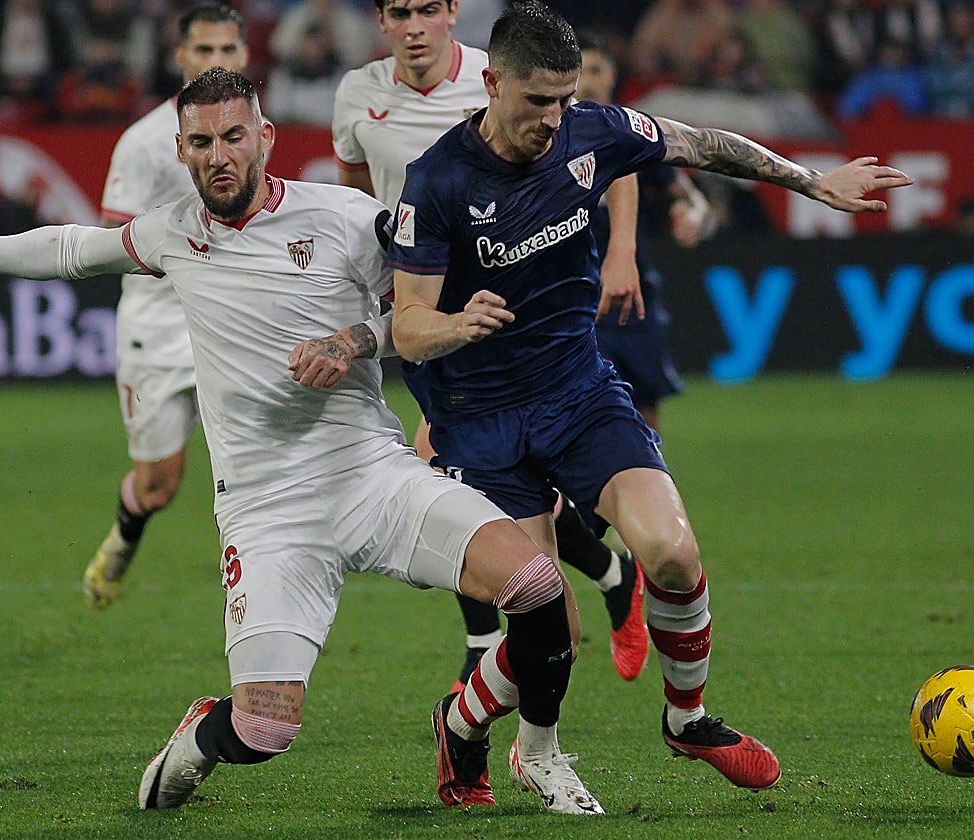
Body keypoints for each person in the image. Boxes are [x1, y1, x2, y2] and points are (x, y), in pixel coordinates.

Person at [0, 67, 603, 816]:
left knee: (536, 588)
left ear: (263, 138)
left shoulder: (345, 217)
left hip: (370, 474)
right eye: (201, 141)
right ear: (183, 150)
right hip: (268, 512)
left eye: (234, 135)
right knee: (264, 728)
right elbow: (74, 248)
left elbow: (422, 320)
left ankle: (504, 742)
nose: (219, 154)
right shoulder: (174, 232)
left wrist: (357, 342)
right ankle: (203, 736)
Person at [389, 0, 912, 795]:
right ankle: (464, 725)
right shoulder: (439, 182)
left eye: (564, 100)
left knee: (670, 550)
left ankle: (687, 719)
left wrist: (813, 183)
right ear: (491, 83)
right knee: (548, 629)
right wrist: (457, 325)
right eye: (537, 102)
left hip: (579, 391)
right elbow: (407, 326)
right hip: (484, 420)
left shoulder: (590, 133)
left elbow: (703, 144)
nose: (553, 119)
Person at [332, 0, 649, 689]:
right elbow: (360, 202)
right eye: (398, 11)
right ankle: (610, 575)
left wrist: (620, 247)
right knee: (477, 488)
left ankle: (486, 648)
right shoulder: (356, 95)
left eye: (426, 9)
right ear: (381, 20)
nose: (413, 25)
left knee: (454, 480)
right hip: (423, 306)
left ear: (451, 14)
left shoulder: (504, 75)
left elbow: (606, 150)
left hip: (506, 312)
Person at [81, 2, 249, 610]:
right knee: (159, 486)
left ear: (245, 55)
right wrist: (183, 248)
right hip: (158, 329)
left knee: (256, 465)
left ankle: (260, 578)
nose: (216, 62)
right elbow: (109, 237)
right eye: (204, 51)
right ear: (180, 58)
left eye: (227, 50)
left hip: (232, 329)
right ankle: (123, 541)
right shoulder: (146, 142)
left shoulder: (254, 132)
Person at [576, 28, 711, 433]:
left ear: (613, 74)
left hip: (629, 303)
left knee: (643, 415)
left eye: (596, 69)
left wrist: (692, 214)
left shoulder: (634, 135)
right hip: (569, 301)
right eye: (578, 70)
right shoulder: (546, 138)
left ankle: (645, 490)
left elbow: (690, 198)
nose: (587, 82)